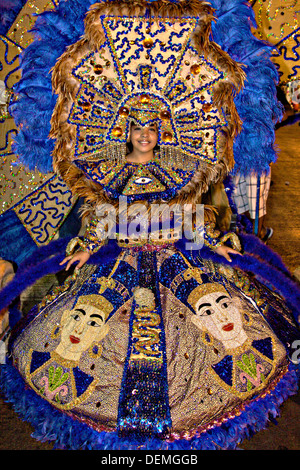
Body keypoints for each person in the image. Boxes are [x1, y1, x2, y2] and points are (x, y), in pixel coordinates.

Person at [1, 1, 300, 450]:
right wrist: (86, 243)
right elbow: (101, 211)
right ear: (126, 131)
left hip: (178, 258)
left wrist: (216, 239)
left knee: (214, 320)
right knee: (90, 324)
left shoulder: (184, 167)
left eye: (152, 128)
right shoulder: (110, 170)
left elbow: (196, 210)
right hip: (117, 261)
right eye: (137, 128)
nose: (145, 135)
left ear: (163, 130)